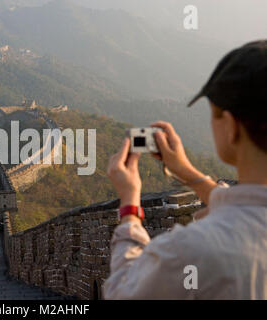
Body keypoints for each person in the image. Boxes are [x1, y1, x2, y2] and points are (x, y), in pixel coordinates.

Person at [104, 40, 267, 299]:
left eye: (213, 115)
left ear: (231, 125)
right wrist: (188, 173)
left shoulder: (194, 249)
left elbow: (123, 292)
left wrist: (130, 206)